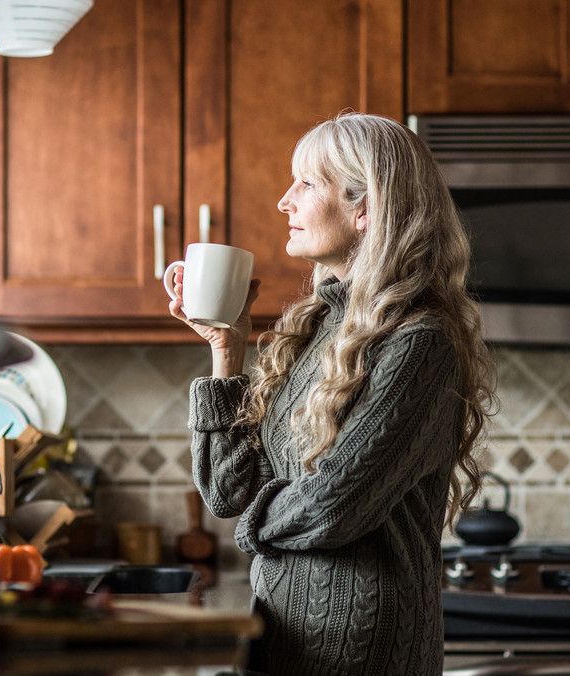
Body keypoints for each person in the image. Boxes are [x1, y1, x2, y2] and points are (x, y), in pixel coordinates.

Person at [168, 112, 495, 675]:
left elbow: (334, 507)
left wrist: (253, 527)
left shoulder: (420, 342)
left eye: (307, 183)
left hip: (362, 650)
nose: (284, 201)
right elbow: (227, 492)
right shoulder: (318, 326)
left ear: (364, 209)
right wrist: (228, 347)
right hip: (283, 636)